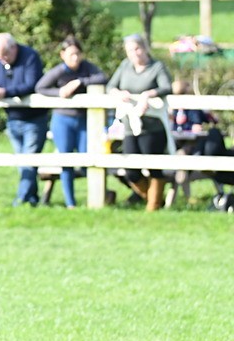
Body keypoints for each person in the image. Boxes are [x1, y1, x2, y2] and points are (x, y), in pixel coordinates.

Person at [35, 36, 109, 208]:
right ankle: (70, 203)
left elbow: (103, 78)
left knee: (87, 158)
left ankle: (99, 196)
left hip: (84, 120)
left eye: (77, 54)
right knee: (66, 159)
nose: (74, 58)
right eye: (71, 54)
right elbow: (41, 87)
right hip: (63, 120)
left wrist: (80, 82)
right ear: (63, 55)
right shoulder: (59, 72)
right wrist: (60, 92)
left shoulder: (87, 68)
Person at [108, 33, 174, 211]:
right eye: (130, 50)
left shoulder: (157, 67)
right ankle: (152, 199)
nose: (134, 53)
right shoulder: (125, 66)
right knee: (131, 169)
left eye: (137, 48)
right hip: (130, 124)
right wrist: (119, 93)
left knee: (153, 166)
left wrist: (148, 95)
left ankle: (153, 207)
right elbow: (110, 86)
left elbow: (167, 87)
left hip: (152, 124)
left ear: (144, 48)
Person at [0, 32, 47, 206]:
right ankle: (32, 199)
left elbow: (31, 84)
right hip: (12, 117)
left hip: (34, 119)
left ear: (13, 47)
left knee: (28, 160)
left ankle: (20, 201)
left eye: (5, 55)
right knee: (22, 162)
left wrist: (5, 92)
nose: (2, 60)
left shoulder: (30, 56)